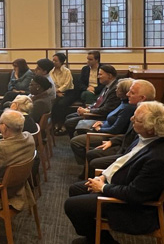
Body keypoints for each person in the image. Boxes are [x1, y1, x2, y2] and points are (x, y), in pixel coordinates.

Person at [64, 101, 164, 244]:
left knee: (71, 205)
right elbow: (122, 161)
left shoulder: (158, 158)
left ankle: (104, 241)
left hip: (134, 207)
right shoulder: (144, 138)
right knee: (75, 189)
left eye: (136, 119)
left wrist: (103, 187)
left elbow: (134, 194)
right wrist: (104, 177)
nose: (131, 119)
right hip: (119, 185)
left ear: (150, 128)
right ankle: (94, 236)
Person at [85, 80, 156, 176]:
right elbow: (128, 135)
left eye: (132, 92)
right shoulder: (136, 109)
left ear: (142, 98)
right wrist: (112, 141)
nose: (127, 94)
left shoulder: (148, 117)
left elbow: (138, 144)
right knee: (91, 154)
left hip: (129, 155)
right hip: (123, 146)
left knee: (94, 161)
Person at [69, 78, 136, 174]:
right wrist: (102, 123)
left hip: (108, 134)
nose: (116, 90)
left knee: (75, 142)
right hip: (105, 128)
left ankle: (87, 166)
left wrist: (100, 128)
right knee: (77, 131)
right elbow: (112, 119)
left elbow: (115, 130)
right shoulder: (122, 102)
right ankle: (87, 166)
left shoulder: (127, 108)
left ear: (124, 92)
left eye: (118, 89)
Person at [64, 65, 120, 139]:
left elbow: (106, 109)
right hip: (94, 111)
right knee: (69, 117)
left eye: (100, 74)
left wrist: (88, 111)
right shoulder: (107, 86)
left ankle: (76, 141)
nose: (98, 77)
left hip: (100, 117)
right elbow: (98, 101)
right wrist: (88, 108)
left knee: (69, 123)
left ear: (109, 75)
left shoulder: (115, 89)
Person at [50, 53, 74, 133]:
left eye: (56, 61)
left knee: (62, 103)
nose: (53, 62)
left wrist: (58, 91)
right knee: (53, 102)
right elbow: (51, 84)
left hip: (68, 92)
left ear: (61, 62)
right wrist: (56, 92)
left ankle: (62, 124)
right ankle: (54, 124)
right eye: (53, 60)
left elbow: (67, 84)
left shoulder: (67, 71)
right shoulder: (51, 71)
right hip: (56, 92)